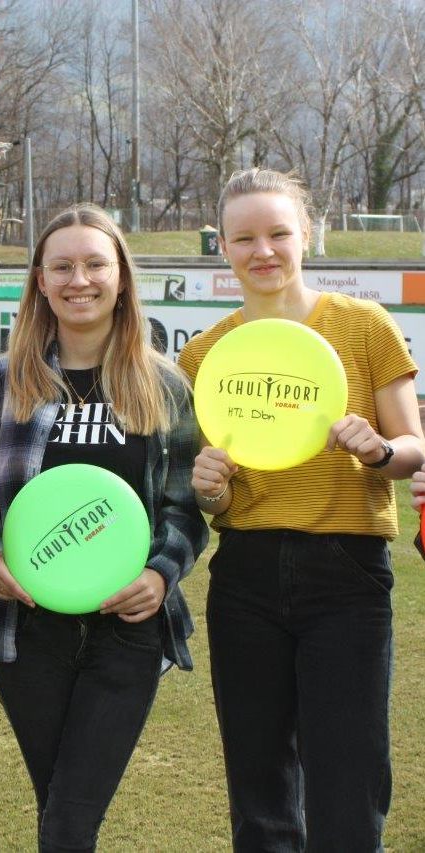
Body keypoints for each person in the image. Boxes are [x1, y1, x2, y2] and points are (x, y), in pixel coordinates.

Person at [178, 167, 425, 851]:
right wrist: (208, 487)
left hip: (346, 572)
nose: (263, 250)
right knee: (258, 790)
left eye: (277, 232)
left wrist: (377, 450)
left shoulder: (362, 325)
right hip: (245, 578)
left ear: (305, 234)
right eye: (243, 237)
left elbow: (413, 447)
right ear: (221, 247)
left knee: (346, 784)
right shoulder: (204, 355)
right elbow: (211, 498)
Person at [0, 203, 208, 851]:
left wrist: (160, 573)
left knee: (68, 820)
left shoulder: (163, 386)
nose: (79, 279)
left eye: (95, 263)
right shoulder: (3, 385)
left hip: (125, 633)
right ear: (39, 280)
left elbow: (183, 506)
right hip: (28, 631)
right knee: (60, 814)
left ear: (120, 276)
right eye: (61, 265)